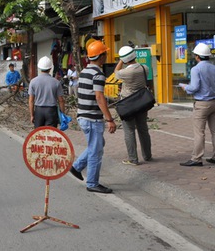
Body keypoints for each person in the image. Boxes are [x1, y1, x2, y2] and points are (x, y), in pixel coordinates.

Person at [69, 41, 117, 194]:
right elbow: (99, 97)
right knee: (96, 151)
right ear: (101, 56)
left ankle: (77, 167)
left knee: (96, 145)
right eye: (105, 53)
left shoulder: (84, 71)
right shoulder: (98, 74)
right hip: (92, 119)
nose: (106, 56)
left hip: (83, 116)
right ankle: (92, 183)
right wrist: (110, 119)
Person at [114, 46, 152, 165]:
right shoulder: (144, 67)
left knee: (129, 131)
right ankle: (147, 155)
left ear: (125, 59)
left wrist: (121, 60)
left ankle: (133, 158)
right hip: (142, 102)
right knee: (143, 129)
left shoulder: (126, 72)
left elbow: (116, 73)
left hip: (128, 104)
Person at [179, 43, 215, 167]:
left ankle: (197, 158)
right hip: (214, 102)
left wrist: (185, 87)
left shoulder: (196, 69)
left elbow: (194, 87)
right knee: (214, 131)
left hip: (202, 104)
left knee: (199, 132)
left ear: (197, 56)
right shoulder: (213, 67)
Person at [28, 56, 65, 128]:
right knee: (51, 135)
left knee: (39, 135)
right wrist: (62, 115)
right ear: (50, 68)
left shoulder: (33, 82)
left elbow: (31, 100)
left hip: (39, 111)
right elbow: (61, 101)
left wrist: (32, 115)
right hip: (51, 111)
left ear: (39, 67)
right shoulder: (56, 82)